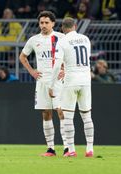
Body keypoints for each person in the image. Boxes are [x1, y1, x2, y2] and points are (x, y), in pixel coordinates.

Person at [19, 11, 68, 156]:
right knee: (46, 113)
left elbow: (70, 56)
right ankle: (51, 149)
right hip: (42, 81)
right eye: (41, 23)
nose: (44, 25)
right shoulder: (34, 40)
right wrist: (32, 71)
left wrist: (65, 70)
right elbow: (22, 57)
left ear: (53, 23)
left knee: (61, 111)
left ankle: (67, 148)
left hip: (58, 80)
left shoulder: (61, 38)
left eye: (47, 22)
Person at [49, 17, 94, 157]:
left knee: (68, 117)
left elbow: (57, 65)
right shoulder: (85, 39)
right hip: (86, 81)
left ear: (62, 28)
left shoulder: (62, 42)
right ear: (75, 26)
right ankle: (90, 149)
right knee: (87, 116)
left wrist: (52, 85)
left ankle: (71, 150)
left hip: (71, 81)